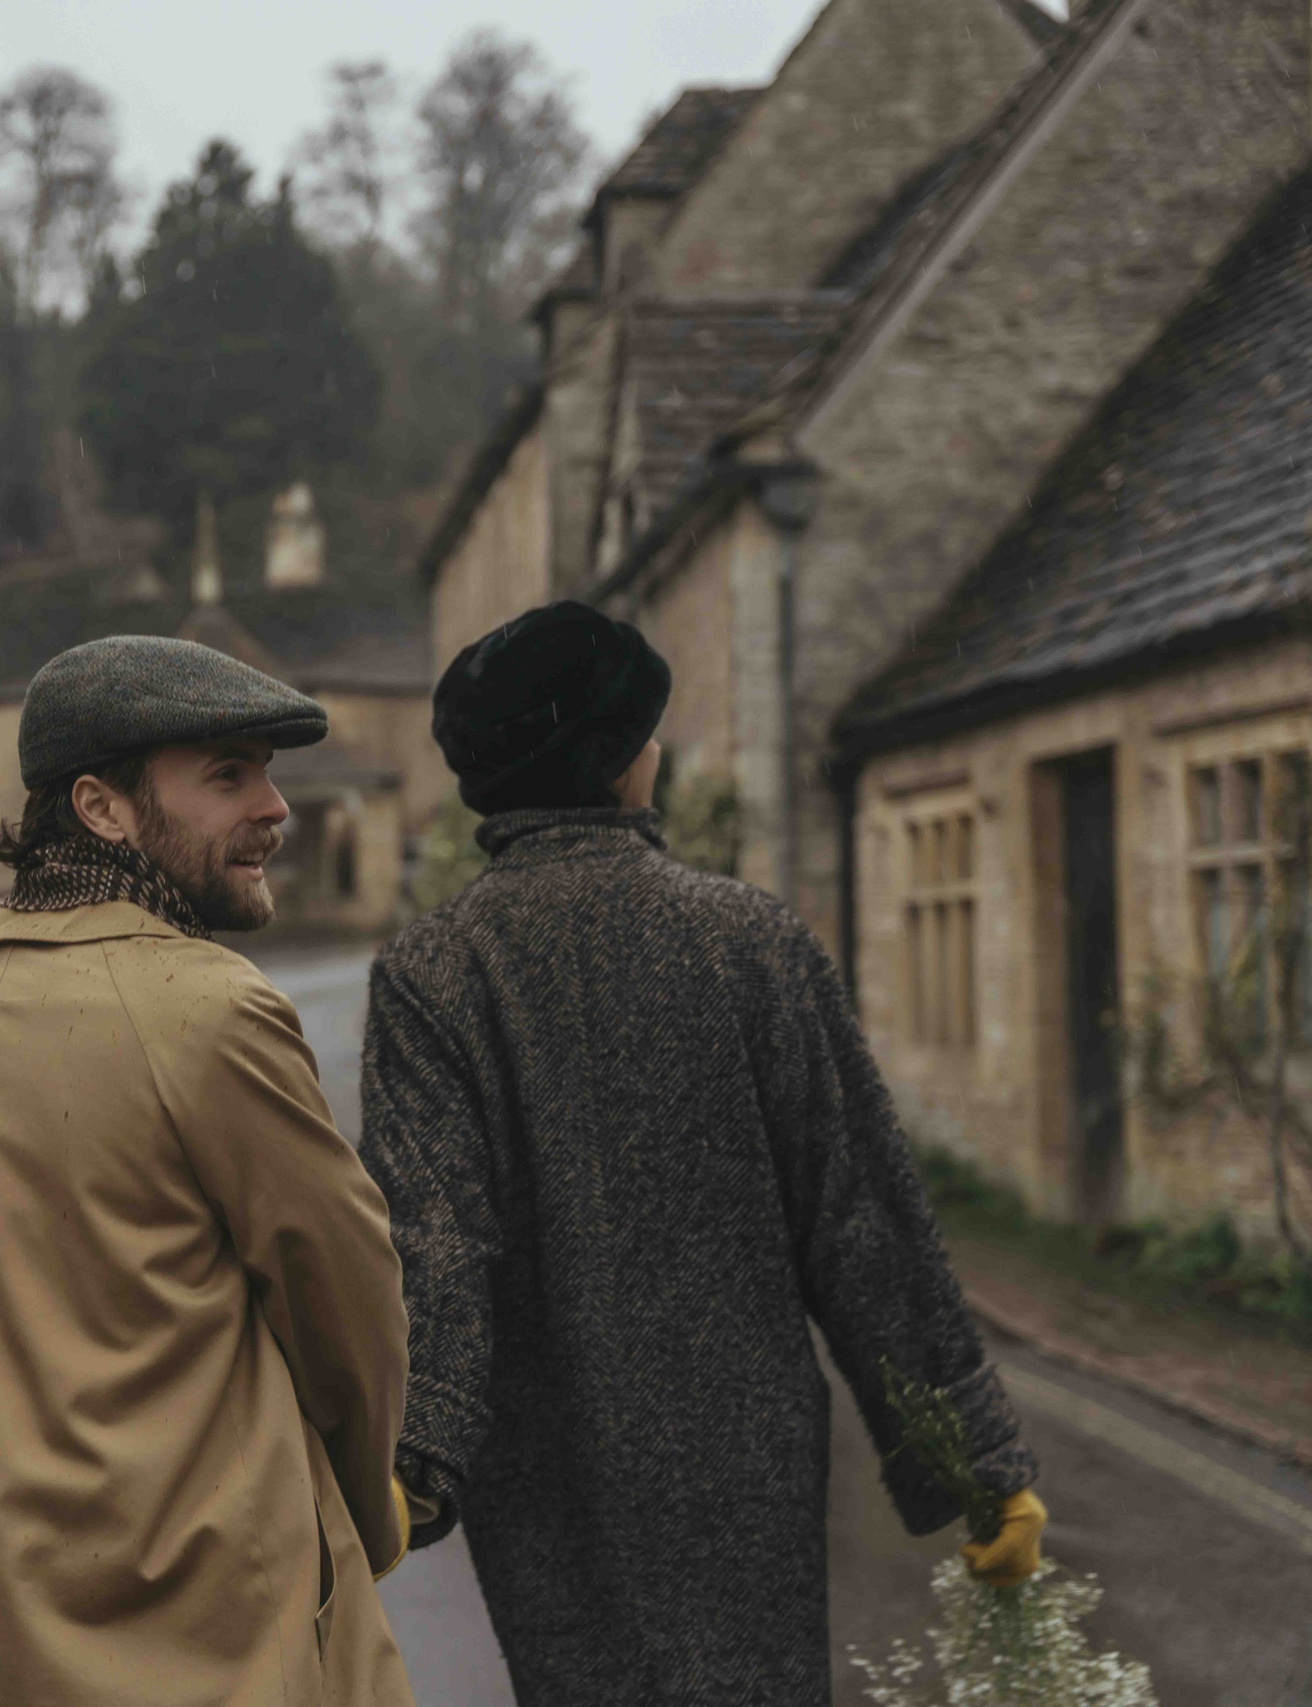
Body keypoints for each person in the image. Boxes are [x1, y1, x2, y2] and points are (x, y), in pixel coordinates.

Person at [358, 601, 1048, 1707]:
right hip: (746, 1466)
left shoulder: (431, 974)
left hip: (551, 1479)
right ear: (627, 761)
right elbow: (860, 1219)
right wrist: (978, 1471)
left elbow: (432, 1240)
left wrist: (416, 1461)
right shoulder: (752, 942)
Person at [0, 635, 419, 1707]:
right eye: (228, 775)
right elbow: (350, 1315)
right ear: (101, 806)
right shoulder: (214, 1011)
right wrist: (366, 1513)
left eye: (267, 771)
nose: (275, 807)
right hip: (218, 1652)